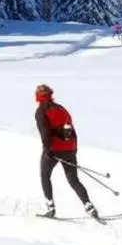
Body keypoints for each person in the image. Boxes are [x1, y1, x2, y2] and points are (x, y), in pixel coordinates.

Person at [34, 83, 99, 220]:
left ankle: (50, 208)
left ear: (38, 96)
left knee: (45, 176)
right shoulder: (61, 108)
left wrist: (47, 150)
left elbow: (45, 133)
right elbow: (71, 129)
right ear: (51, 94)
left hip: (53, 150)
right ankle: (88, 205)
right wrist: (74, 149)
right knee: (74, 180)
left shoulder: (41, 111)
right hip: (69, 149)